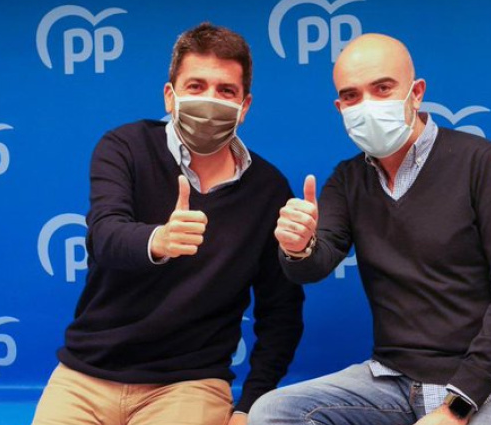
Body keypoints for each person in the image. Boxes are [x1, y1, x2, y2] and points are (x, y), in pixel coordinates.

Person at [248, 33, 491, 425]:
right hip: (396, 381)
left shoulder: (482, 163)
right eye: (351, 96)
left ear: (416, 93)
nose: (367, 104)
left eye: (382, 88)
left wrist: (456, 408)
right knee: (273, 412)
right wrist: (297, 246)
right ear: (340, 107)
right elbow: (313, 265)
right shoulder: (348, 179)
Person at [32, 22, 305, 425]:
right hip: (87, 375)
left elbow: (281, 312)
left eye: (225, 91)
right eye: (196, 86)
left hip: (188, 384)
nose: (209, 101)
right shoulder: (124, 147)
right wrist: (158, 239)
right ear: (170, 95)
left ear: (244, 105)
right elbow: (104, 235)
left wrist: (248, 405)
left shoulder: (268, 189)